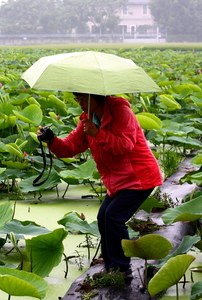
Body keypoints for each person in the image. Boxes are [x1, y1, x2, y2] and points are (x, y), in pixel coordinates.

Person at [37, 92, 163, 277]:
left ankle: (120, 269)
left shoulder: (121, 112)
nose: (80, 103)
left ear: (96, 97)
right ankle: (110, 266)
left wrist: (98, 133)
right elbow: (71, 146)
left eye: (83, 98)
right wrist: (52, 140)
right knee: (103, 217)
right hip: (117, 181)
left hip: (139, 177)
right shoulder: (89, 119)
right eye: (77, 99)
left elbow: (125, 145)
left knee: (113, 217)